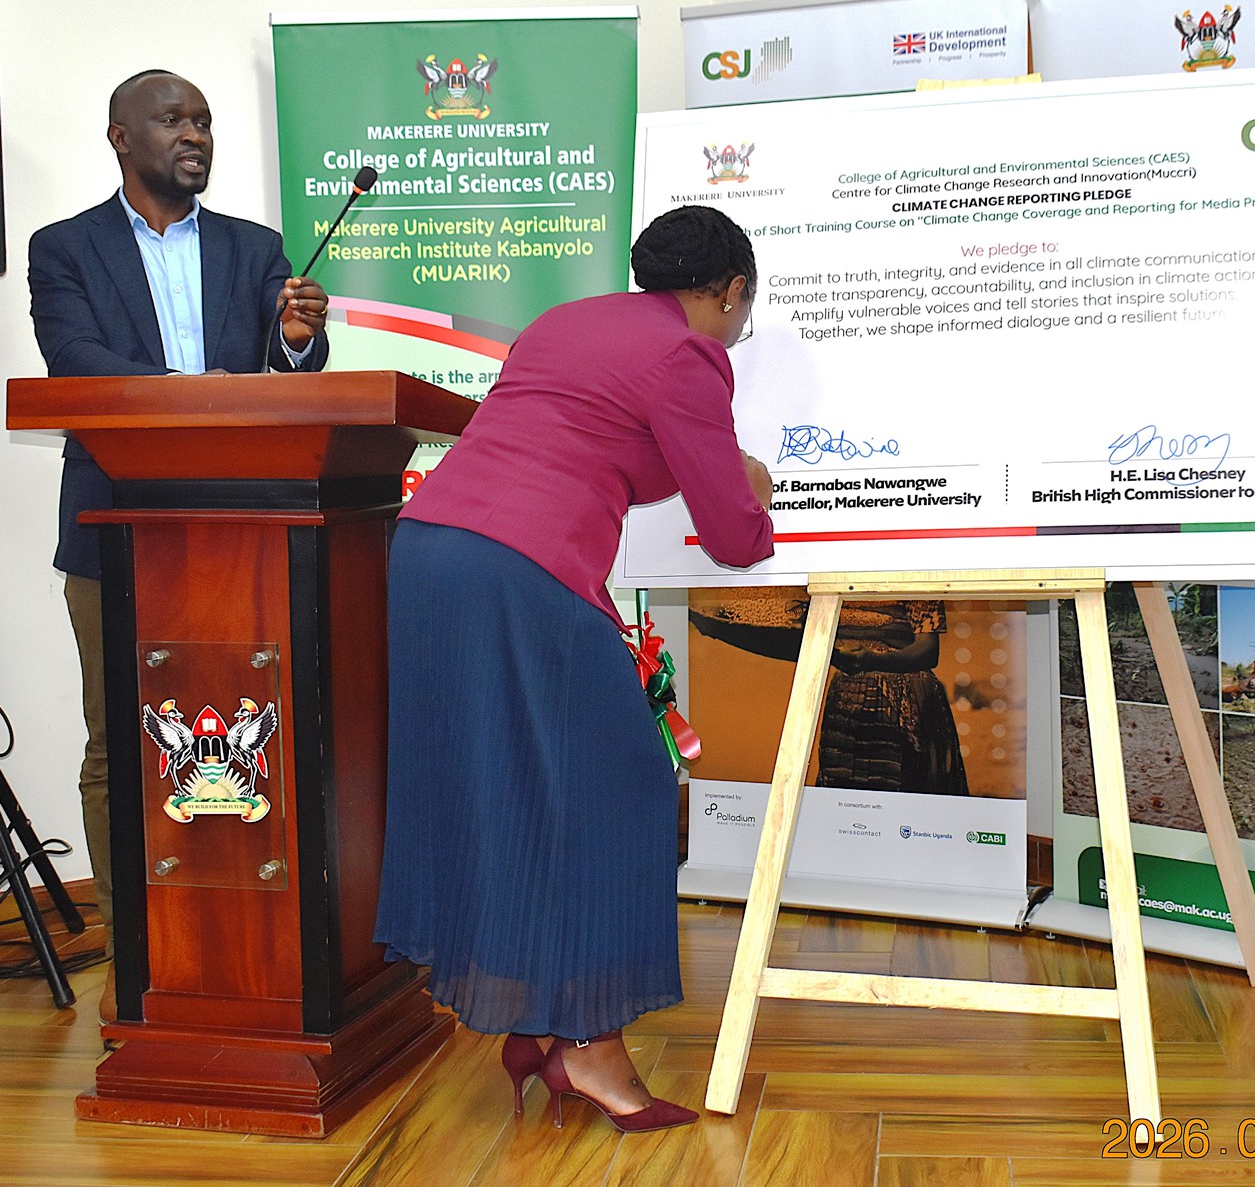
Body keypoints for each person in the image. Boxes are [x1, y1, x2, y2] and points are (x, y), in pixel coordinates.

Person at [374, 205, 774, 1134]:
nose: (735, 333)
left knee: (512, 787)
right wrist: (754, 485)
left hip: (430, 550)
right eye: (741, 316)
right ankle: (587, 1047)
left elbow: (586, 442)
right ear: (729, 291)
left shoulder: (566, 323)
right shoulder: (688, 356)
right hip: (520, 568)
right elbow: (735, 535)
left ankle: (541, 1027)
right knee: (625, 783)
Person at [27, 69, 330, 1022]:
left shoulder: (255, 249)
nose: (193, 134)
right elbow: (78, 366)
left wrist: (291, 343)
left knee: (259, 735)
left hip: (246, 531)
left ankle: (262, 951)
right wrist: (205, 395)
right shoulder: (64, 248)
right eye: (172, 120)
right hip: (114, 528)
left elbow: (297, 374)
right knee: (121, 743)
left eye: (202, 120)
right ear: (120, 136)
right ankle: (136, 958)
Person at [689, 595, 970, 795]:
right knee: (847, 803)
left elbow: (928, 649)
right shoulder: (833, 566)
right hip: (850, 701)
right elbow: (793, 636)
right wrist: (717, 625)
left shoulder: (909, 563)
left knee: (905, 801)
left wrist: (872, 659)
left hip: (903, 703)